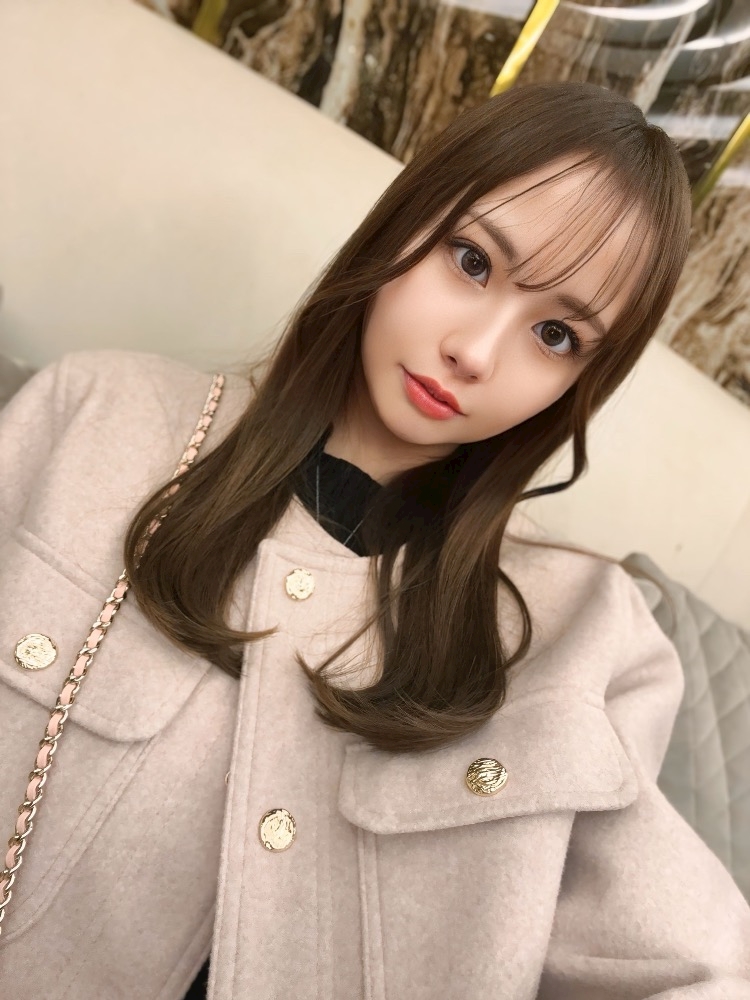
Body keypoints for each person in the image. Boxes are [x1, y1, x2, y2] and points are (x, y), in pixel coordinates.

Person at [0, 81, 748, 1000]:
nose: (477, 351)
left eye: (556, 334)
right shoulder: (95, 419)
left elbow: (705, 968)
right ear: (403, 221)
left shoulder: (588, 637)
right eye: (471, 261)